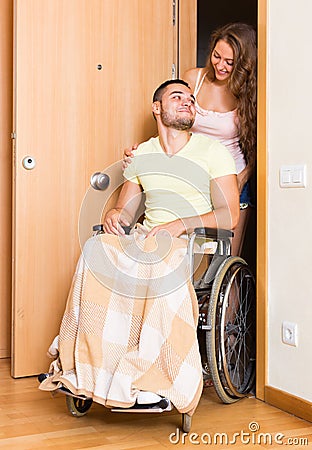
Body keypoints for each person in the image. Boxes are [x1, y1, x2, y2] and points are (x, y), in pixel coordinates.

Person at [39, 79, 239, 417]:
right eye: (177, 97)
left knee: (160, 260)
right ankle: (87, 369)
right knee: (96, 251)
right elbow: (124, 210)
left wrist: (178, 225)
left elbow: (230, 214)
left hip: (197, 244)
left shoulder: (212, 152)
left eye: (191, 98)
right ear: (157, 108)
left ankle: (154, 379)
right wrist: (116, 215)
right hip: (150, 239)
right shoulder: (142, 154)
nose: (188, 101)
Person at [123, 22, 257, 256]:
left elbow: (257, 142)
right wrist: (145, 153)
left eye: (230, 62)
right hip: (191, 172)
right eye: (217, 56)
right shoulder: (194, 79)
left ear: (243, 64)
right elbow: (173, 118)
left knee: (225, 259)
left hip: (230, 176)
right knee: (175, 249)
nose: (221, 65)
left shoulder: (248, 91)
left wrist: (242, 178)